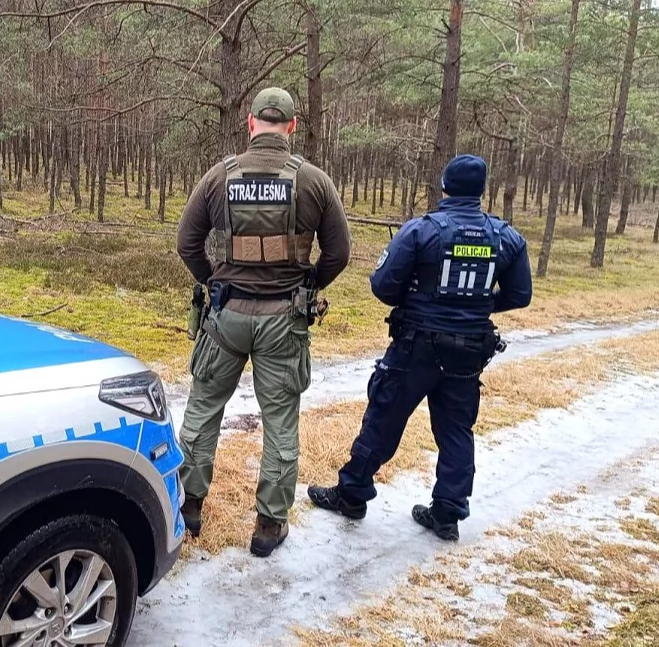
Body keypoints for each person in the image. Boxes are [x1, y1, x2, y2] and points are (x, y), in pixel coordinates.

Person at [307, 154, 532, 541]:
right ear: (481, 191)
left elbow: (382, 285)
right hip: (468, 352)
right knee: (457, 430)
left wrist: (422, 302)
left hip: (416, 346)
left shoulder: (422, 230)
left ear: (444, 187)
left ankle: (352, 494)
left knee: (383, 419)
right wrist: (479, 305)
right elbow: (521, 294)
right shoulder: (505, 236)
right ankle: (447, 513)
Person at [176, 87, 352, 557]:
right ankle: (269, 527)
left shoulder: (220, 176)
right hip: (285, 320)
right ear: (291, 127)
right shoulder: (314, 181)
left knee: (202, 410)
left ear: (251, 123)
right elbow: (340, 253)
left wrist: (213, 281)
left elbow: (186, 243)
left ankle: (188, 507)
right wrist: (310, 282)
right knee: (280, 423)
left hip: (226, 317)